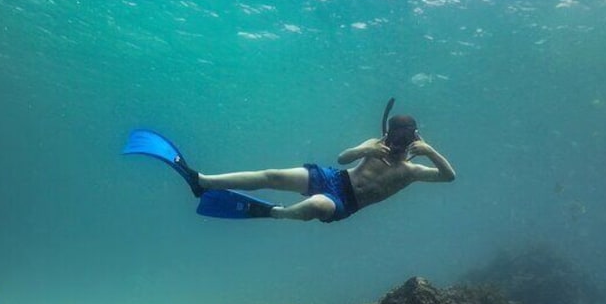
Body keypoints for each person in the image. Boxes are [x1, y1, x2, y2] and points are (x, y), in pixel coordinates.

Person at [123, 100, 455, 221]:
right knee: (273, 175)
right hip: (334, 178)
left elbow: (448, 177)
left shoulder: (411, 171)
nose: (395, 144)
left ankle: (275, 213)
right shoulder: (374, 145)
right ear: (387, 134)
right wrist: (364, 150)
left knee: (318, 208)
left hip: (344, 202)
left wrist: (430, 151)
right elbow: (342, 158)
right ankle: (202, 180)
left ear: (413, 139)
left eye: (404, 139)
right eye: (393, 137)